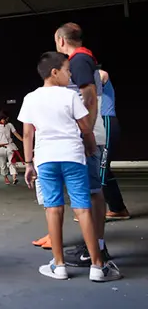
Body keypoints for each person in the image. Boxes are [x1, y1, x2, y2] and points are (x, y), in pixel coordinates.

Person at [19, 51, 121, 281]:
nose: (70, 75)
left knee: (53, 209)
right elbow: (85, 127)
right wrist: (91, 147)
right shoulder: (70, 96)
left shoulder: (30, 98)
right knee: (82, 208)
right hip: (73, 157)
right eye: (67, 70)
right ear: (54, 73)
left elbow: (27, 134)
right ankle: (97, 267)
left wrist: (28, 164)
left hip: (45, 159)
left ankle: (59, 265)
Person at [54, 22, 111, 266]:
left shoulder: (77, 60)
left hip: (87, 136)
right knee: (92, 191)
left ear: (61, 40)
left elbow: (88, 97)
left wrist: (84, 134)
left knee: (90, 193)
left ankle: (95, 250)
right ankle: (94, 246)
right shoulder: (85, 59)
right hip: (89, 133)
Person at [98, 69, 129, 220]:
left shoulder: (98, 74)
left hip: (107, 121)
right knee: (102, 168)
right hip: (97, 123)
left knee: (101, 169)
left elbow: (103, 74)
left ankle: (94, 212)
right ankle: (118, 209)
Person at [0, 112, 23, 185]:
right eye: (4, 119)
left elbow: (15, 133)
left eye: (6, 118)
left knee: (12, 161)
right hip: (0, 146)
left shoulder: (10, 125)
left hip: (9, 145)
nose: (5, 120)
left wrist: (23, 140)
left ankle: (14, 178)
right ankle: (5, 177)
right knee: (3, 163)